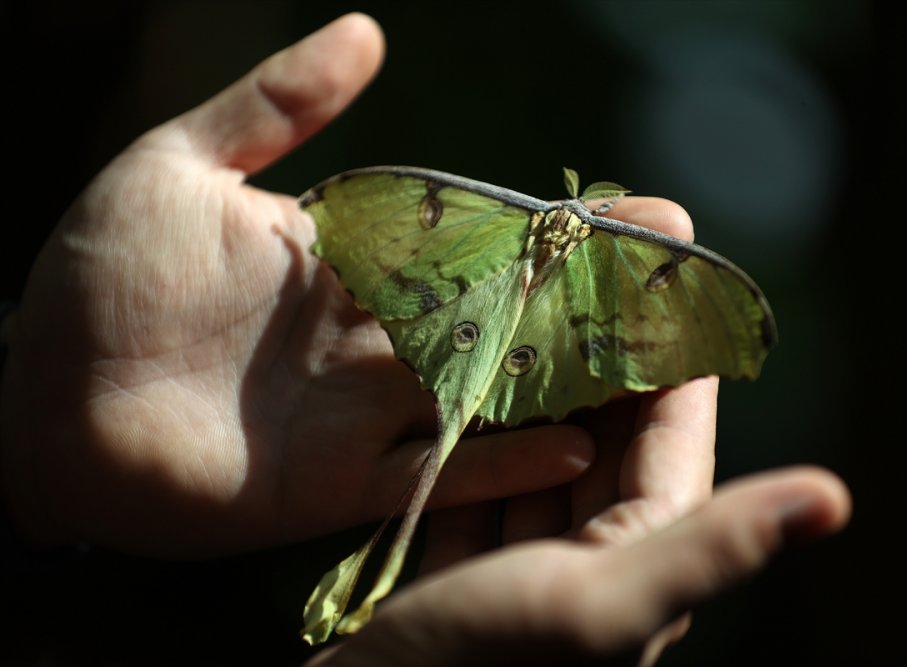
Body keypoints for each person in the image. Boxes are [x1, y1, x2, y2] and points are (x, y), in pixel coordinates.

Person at [0, 13, 850, 667]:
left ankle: (362, 580)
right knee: (440, 453)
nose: (566, 224)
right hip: (466, 321)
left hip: (530, 344)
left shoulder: (617, 248)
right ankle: (367, 579)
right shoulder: (473, 214)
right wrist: (31, 424)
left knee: (448, 450)